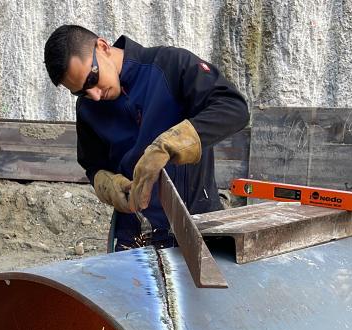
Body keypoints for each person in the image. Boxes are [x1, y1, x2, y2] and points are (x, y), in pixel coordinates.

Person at [44, 25, 249, 251]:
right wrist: (107, 184)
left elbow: (234, 109)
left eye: (92, 79)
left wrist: (172, 143)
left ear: (102, 47)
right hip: (133, 238)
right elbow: (93, 164)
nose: (94, 95)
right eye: (80, 91)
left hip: (198, 227)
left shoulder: (169, 65)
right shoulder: (87, 107)